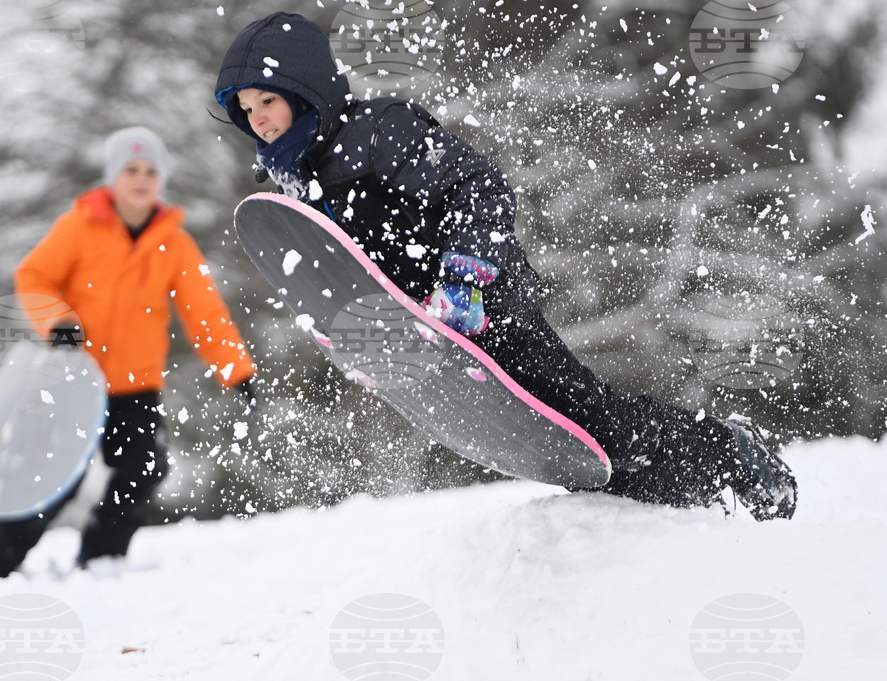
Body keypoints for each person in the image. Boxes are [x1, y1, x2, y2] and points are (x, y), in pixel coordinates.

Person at [213, 12, 797, 521]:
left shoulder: (377, 131)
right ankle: (663, 505)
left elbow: (478, 186)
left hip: (488, 305)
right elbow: (345, 272)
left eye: (269, 100)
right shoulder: (300, 179)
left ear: (308, 89)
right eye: (246, 110)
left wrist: (463, 278)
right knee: (576, 447)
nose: (260, 119)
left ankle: (729, 454)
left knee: (587, 414)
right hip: (436, 328)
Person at [0, 127, 256, 581]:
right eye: (131, 170)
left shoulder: (174, 243)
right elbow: (34, 278)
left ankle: (101, 556)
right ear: (113, 177)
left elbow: (204, 313)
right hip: (73, 381)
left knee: (145, 467)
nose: (142, 179)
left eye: (150, 171)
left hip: (135, 386)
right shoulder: (79, 227)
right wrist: (59, 323)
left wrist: (236, 369)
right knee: (55, 480)